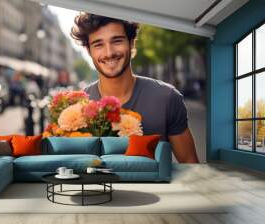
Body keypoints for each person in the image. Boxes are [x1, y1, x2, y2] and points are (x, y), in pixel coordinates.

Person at [71, 13, 199, 163]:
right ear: (89, 51)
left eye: (117, 41)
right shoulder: (77, 107)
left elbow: (190, 166)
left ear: (132, 43)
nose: (109, 53)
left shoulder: (167, 98)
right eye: (98, 44)